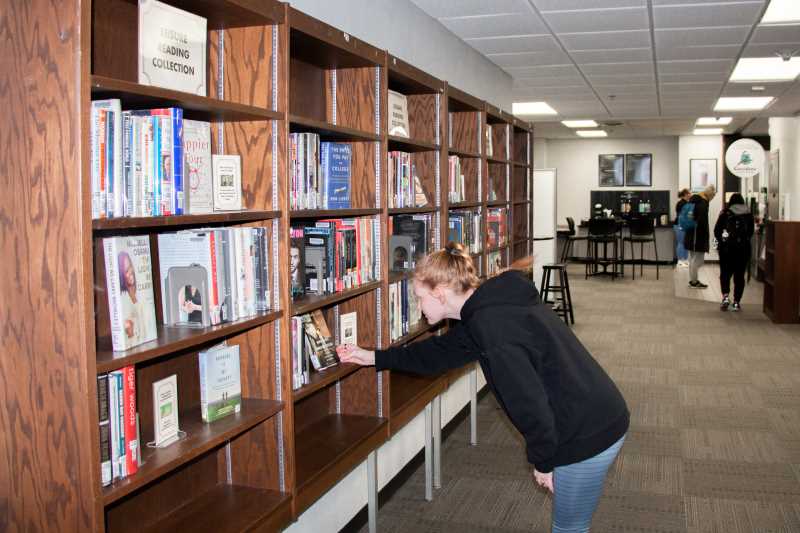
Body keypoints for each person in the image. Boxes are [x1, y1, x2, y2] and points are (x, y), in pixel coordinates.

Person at [337, 242, 629, 533]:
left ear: (439, 295)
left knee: (569, 528)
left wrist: (544, 462)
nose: (418, 307)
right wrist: (372, 357)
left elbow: (529, 403)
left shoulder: (491, 327)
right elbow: (436, 354)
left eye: (419, 298)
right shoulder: (485, 311)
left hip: (588, 429)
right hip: (591, 408)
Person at [714, 193, 754, 311]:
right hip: (743, 249)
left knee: (725, 273)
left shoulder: (725, 213)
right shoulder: (749, 214)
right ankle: (736, 302)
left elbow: (717, 231)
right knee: (739, 275)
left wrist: (722, 242)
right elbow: (750, 232)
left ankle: (725, 297)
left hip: (727, 249)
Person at [684, 184, 716, 288]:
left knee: (693, 258)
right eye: (713, 196)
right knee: (698, 259)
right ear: (710, 195)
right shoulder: (702, 202)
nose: (712, 199)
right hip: (697, 235)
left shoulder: (696, 200)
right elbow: (702, 221)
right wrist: (705, 235)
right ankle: (694, 281)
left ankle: (694, 280)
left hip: (691, 233)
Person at [674, 188, 691, 267]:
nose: (690, 195)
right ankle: (680, 260)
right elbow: (681, 215)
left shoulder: (686, 203)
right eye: (689, 193)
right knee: (681, 242)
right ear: (685, 194)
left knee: (686, 242)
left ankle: (685, 259)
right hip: (680, 224)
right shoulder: (681, 203)